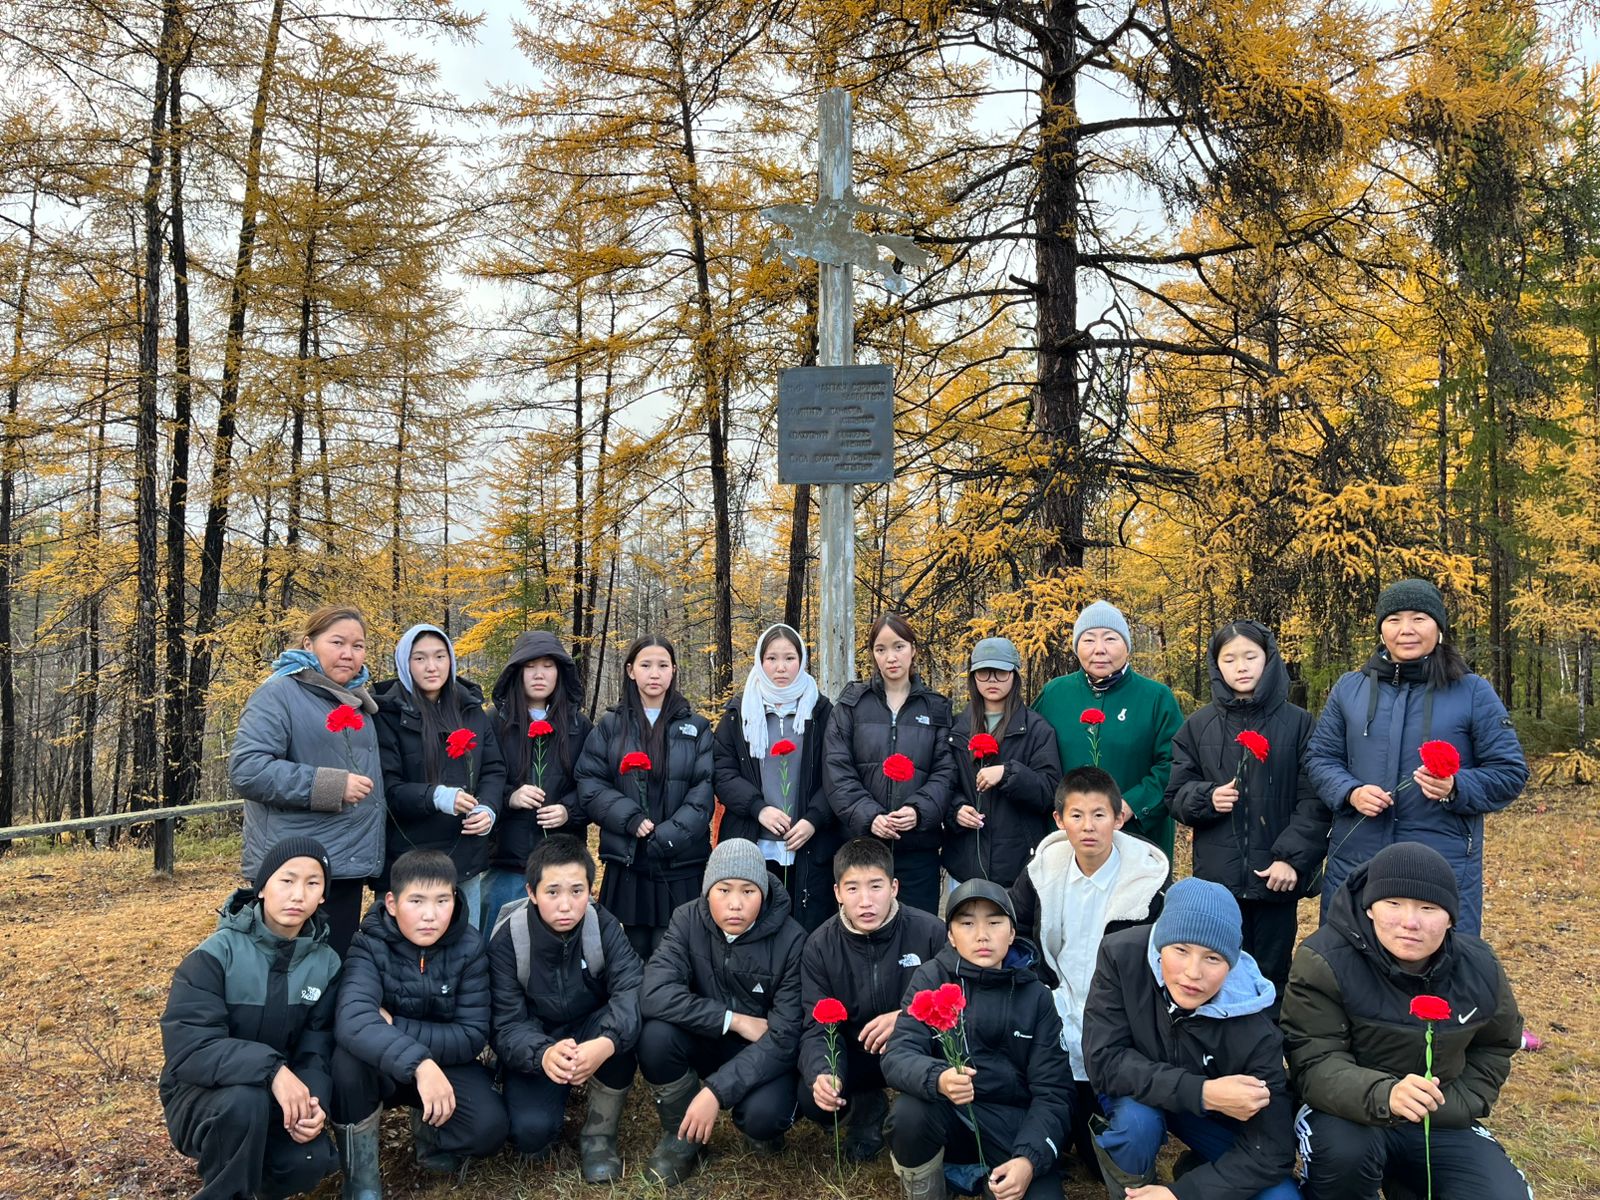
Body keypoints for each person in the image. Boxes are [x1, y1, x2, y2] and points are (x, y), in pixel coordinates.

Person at [1281, 842, 1529, 1200]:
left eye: (1428, 908)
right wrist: (1387, 1095)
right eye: (1393, 903)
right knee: (1344, 1159)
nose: (1410, 922)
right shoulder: (1324, 960)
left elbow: (1496, 1044)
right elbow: (1313, 1063)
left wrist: (1454, 1104)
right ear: (1370, 908)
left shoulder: (1480, 966)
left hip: (1439, 1116)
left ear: (1450, 917)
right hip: (1345, 1113)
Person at [1305, 579, 1528, 935]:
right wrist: (1350, 792)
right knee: (1349, 957)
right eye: (1394, 620)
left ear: (1438, 627)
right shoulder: (1350, 688)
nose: (1406, 630)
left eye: (1419, 618)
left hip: (1441, 863)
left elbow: (1509, 771)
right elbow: (1320, 758)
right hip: (1357, 859)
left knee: (1434, 959)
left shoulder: (1472, 691)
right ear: (1381, 629)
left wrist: (1456, 787)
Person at [1082, 878, 1300, 1200]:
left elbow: (1272, 1149)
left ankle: (1194, 1169)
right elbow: (1104, 1060)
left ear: (1232, 963)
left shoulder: (1256, 1026)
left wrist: (1182, 1194)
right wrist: (1203, 1092)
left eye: (1213, 958)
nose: (1193, 973)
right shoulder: (1120, 956)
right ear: (1161, 945)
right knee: (1137, 1125)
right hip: (1139, 1093)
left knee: (1282, 1197)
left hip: (1208, 1117)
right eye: (1181, 950)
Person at [159, 838, 342, 1200]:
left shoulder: (326, 965)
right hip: (203, 1096)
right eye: (286, 880)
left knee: (308, 1160)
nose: (298, 895)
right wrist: (272, 1070)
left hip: (276, 1098)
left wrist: (313, 1102)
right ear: (261, 888)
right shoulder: (214, 956)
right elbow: (191, 1048)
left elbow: (316, 1049)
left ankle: (252, 1188)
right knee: (244, 1104)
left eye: (312, 883)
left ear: (323, 896)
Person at [1009, 766, 1169, 1177]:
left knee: (1119, 1146)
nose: (1088, 826)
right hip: (1057, 1022)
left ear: (1119, 818)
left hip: (1120, 1032)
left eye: (1099, 814)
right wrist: (1033, 982)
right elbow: (1015, 928)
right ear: (1059, 820)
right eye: (1076, 815)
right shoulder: (1044, 871)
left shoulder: (1147, 884)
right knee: (1048, 1136)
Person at [1166, 621, 1329, 1003]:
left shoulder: (1298, 724)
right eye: (1230, 659)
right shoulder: (1199, 726)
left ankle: (1269, 1037)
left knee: (1271, 975)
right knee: (1218, 970)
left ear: (1268, 660)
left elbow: (1315, 800)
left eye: (1250, 657)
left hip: (1276, 879)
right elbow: (1175, 792)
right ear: (1216, 665)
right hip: (1219, 883)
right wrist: (1207, 798)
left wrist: (1291, 859)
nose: (1241, 667)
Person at [882, 879, 1075, 1200]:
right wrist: (938, 1078)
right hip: (948, 1114)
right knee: (908, 1115)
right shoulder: (931, 978)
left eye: (994, 923)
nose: (982, 935)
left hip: (1011, 1127)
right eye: (967, 923)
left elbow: (1054, 1092)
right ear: (950, 935)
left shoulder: (1036, 996)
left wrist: (1028, 1159)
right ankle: (932, 1188)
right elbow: (898, 1054)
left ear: (1012, 933)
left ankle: (993, 1179)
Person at [331, 850, 507, 1194]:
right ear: (392, 903)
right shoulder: (368, 942)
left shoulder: (470, 946)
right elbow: (353, 1020)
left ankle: (431, 1131)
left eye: (442, 900)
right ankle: (361, 1179)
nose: (430, 915)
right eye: (416, 901)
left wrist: (394, 1025)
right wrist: (420, 1063)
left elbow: (472, 1034)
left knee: (489, 1128)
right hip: (384, 1066)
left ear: (455, 899)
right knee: (347, 1064)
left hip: (447, 1062)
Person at [636, 838, 806, 1187]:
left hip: (761, 1052)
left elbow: (785, 1037)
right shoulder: (686, 920)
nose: (735, 903)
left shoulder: (792, 940)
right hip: (708, 1036)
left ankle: (761, 1128)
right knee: (655, 1037)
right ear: (707, 890)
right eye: (724, 889)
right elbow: (653, 992)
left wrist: (715, 1091)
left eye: (748, 891)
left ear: (763, 893)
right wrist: (733, 1020)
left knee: (763, 1116)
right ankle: (682, 1134)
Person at [230, 604, 385, 957]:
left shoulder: (357, 700)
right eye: (337, 642)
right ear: (308, 644)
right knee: (285, 968)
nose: (348, 654)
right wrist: (332, 785)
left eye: (358, 645)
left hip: (344, 866)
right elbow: (248, 770)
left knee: (331, 967)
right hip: (293, 868)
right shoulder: (279, 693)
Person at [488, 835, 642, 1182]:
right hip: (539, 1036)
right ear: (531, 892)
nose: (566, 905)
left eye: (577, 891)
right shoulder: (508, 939)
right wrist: (543, 1054)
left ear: (590, 890)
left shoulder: (603, 924)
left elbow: (631, 988)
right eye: (552, 892)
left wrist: (605, 1043)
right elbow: (505, 1023)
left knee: (624, 1032)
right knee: (531, 1134)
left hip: (592, 1026)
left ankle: (599, 1136)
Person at [798, 837, 946, 1162]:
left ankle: (923, 1113)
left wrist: (906, 1017)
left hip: (916, 1047)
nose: (865, 901)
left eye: (875, 886)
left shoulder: (931, 932)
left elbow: (955, 1001)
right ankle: (865, 1106)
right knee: (811, 1098)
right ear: (837, 892)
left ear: (894, 887)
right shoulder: (819, 946)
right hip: (858, 1051)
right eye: (852, 888)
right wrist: (823, 1071)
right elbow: (816, 1026)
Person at [577, 635, 715, 959]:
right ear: (630, 670)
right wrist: (630, 818)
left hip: (681, 861)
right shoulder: (610, 726)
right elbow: (590, 781)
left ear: (674, 671)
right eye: (646, 665)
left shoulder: (696, 727)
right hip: (630, 859)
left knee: (676, 952)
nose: (655, 673)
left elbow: (704, 788)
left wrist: (669, 835)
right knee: (630, 953)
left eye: (663, 665)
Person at [374, 623, 507, 926]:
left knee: (465, 943)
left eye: (439, 656)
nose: (431, 667)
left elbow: (493, 769)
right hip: (407, 859)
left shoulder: (470, 709)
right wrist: (436, 796)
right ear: (405, 663)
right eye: (419, 658)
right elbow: (387, 788)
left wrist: (488, 808)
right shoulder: (387, 714)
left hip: (463, 857)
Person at [824, 613, 957, 914]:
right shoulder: (851, 705)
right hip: (861, 848)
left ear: (913, 649)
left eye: (898, 647)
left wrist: (918, 811)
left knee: (917, 931)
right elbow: (837, 770)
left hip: (917, 850)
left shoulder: (936, 708)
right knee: (863, 929)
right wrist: (870, 816)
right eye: (881, 649)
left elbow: (946, 772)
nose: (891, 657)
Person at [1035, 601, 1184, 859]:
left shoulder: (1156, 697)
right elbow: (1031, 754)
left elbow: (1175, 763)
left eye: (1110, 639)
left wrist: (1130, 805)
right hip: (1067, 842)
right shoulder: (1054, 694)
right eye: (1089, 640)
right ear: (1077, 647)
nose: (1099, 649)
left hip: (1138, 840)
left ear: (1126, 646)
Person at [713, 623, 837, 932]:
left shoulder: (822, 712)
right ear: (760, 661)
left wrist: (813, 819)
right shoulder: (739, 713)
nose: (780, 667)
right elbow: (723, 772)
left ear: (802, 660)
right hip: (753, 841)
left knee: (806, 930)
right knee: (756, 929)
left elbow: (836, 773)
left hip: (809, 844)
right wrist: (758, 808)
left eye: (789, 658)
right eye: (771, 658)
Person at [486, 630, 593, 928]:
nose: (539, 674)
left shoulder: (579, 725)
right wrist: (510, 797)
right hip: (508, 863)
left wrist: (568, 811)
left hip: (563, 863)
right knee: (502, 944)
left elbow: (593, 785)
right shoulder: (494, 721)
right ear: (516, 672)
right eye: (530, 666)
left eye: (548, 666)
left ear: (560, 672)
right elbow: (482, 780)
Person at [944, 636, 1063, 889]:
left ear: (1014, 676)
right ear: (973, 677)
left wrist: (1009, 774)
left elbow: (1050, 791)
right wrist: (956, 810)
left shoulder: (1037, 730)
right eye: (984, 673)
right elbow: (944, 783)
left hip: (1016, 867)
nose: (992, 680)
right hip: (965, 863)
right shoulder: (956, 728)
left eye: (1000, 673)